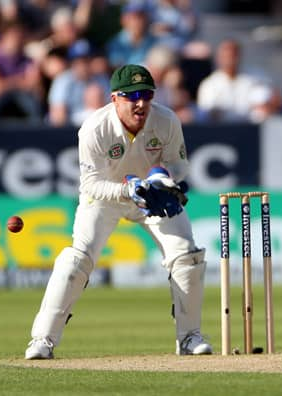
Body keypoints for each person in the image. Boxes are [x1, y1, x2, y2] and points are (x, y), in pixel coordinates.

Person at [25, 64, 212, 359]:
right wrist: (128, 190)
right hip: (106, 198)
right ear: (114, 98)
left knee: (187, 257)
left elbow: (179, 165)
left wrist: (163, 179)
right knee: (76, 261)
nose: (141, 103)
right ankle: (42, 340)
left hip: (152, 199)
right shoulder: (94, 128)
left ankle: (189, 337)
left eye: (147, 95)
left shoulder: (166, 120)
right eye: (132, 96)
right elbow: (91, 184)